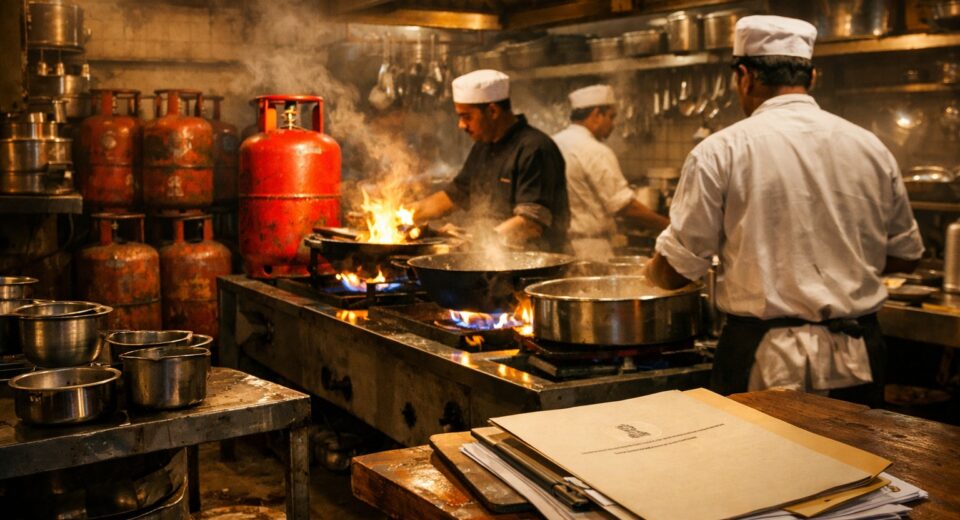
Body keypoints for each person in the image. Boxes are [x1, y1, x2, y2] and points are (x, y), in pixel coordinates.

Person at [643, 15, 924, 405]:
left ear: (745, 76)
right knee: (855, 463)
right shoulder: (871, 147)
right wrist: (838, 268)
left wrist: (650, 272)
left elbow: (677, 270)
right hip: (857, 356)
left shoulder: (720, 151)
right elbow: (905, 258)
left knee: (758, 464)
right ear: (811, 77)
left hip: (764, 361)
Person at [412, 69, 570, 252]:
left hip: (533, 266)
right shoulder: (483, 146)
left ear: (492, 111)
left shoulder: (534, 148)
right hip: (491, 260)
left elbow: (530, 224)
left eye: (467, 117)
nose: (461, 125)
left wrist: (475, 241)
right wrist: (402, 215)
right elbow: (456, 195)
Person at [552, 85, 669, 260]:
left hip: (559, 247)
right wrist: (669, 226)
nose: (613, 125)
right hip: (591, 250)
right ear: (597, 114)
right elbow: (624, 206)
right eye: (611, 117)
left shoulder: (553, 141)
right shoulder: (594, 150)